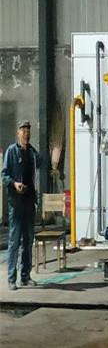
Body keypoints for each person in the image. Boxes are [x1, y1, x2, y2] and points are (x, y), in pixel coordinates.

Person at [2, 121, 39, 290]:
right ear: (18, 133)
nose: (26, 134)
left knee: (28, 240)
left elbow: (38, 169)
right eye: (23, 131)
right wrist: (14, 184)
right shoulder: (11, 151)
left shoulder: (32, 152)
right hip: (16, 204)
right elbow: (4, 176)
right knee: (14, 241)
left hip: (29, 203)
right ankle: (11, 279)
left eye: (28, 131)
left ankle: (25, 276)